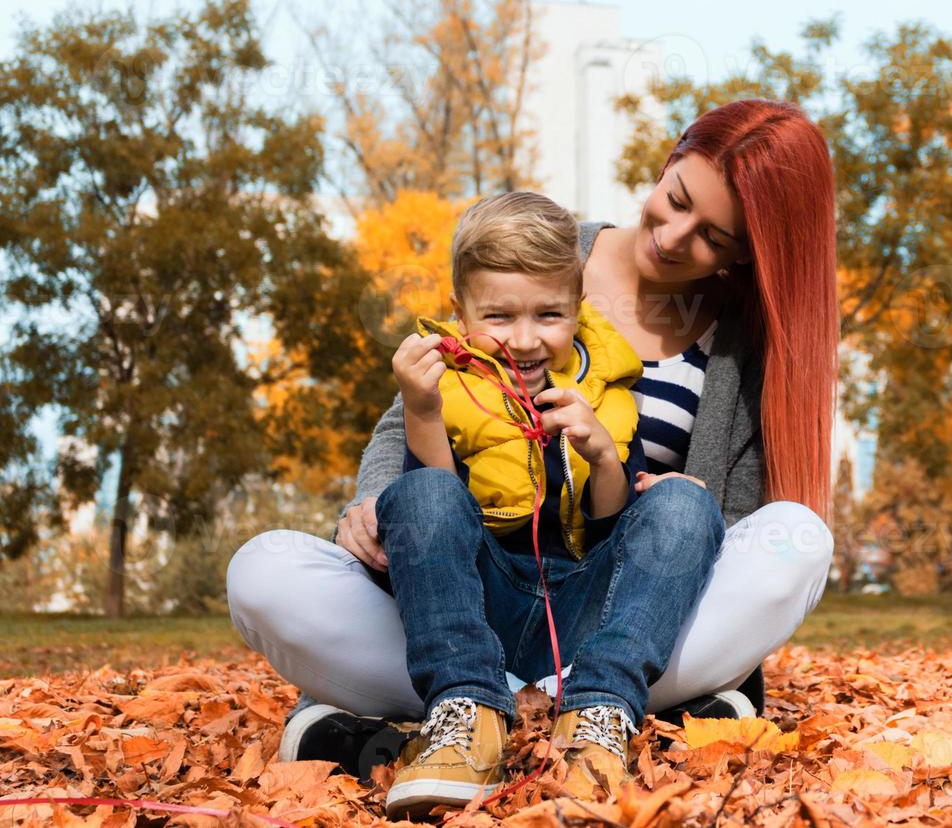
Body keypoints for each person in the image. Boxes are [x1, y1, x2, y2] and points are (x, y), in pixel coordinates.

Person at [226, 98, 838, 803]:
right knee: (263, 572)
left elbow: (731, 526)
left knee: (801, 538)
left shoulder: (742, 344)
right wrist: (371, 502)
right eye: (673, 200)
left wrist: (691, 506)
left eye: (711, 237)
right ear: (668, 165)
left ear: (745, 254)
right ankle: (536, 702)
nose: (671, 236)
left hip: (619, 607)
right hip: (472, 585)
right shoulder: (537, 249)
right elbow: (418, 416)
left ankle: (469, 715)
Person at [383, 191, 699, 815]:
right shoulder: (447, 384)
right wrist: (422, 409)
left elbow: (613, 525)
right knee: (418, 494)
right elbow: (434, 510)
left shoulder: (607, 387)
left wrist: (603, 453)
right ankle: (466, 707)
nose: (523, 341)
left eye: (548, 316)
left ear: (578, 310)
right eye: (497, 318)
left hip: (586, 609)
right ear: (461, 311)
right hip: (479, 603)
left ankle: (598, 712)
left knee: (686, 505)